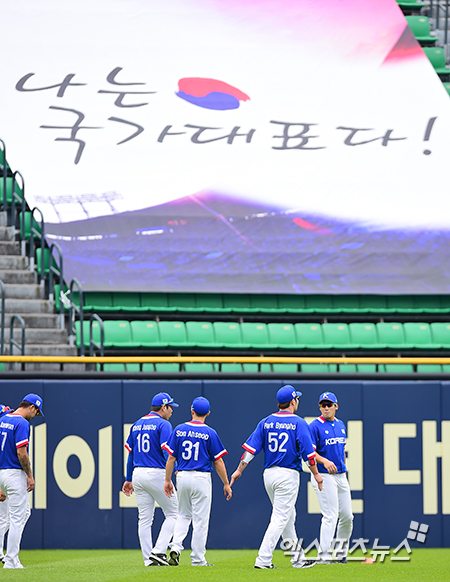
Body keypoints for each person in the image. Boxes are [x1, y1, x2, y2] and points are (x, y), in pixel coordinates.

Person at [230, 384, 323, 569]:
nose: (297, 402)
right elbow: (309, 454)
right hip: (287, 474)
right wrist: (317, 474)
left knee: (288, 516)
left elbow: (250, 451)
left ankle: (298, 559)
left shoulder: (266, 421)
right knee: (280, 517)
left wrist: (239, 470)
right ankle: (263, 559)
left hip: (269, 475)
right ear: (292, 401)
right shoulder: (298, 422)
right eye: (296, 399)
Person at [163, 396, 232, 567]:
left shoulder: (179, 429)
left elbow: (171, 458)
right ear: (208, 413)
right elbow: (218, 461)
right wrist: (225, 483)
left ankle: (176, 547)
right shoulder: (210, 432)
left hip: (182, 476)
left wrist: (167, 480)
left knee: (183, 515)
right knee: (200, 520)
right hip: (201, 477)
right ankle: (198, 559)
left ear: (191, 410)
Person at [122, 392, 179, 567]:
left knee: (145, 519)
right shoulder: (164, 424)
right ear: (163, 407)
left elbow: (130, 454)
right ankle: (158, 551)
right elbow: (167, 453)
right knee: (174, 513)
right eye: (170, 407)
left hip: (138, 473)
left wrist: (128, 478)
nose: (171, 411)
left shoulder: (137, 424)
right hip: (157, 473)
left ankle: (149, 559)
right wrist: (172, 474)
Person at [309, 391, 353, 564]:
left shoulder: (341, 424)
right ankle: (324, 555)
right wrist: (324, 461)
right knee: (330, 515)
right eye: (322, 405)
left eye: (329, 404)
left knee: (348, 516)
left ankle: (341, 553)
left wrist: (342, 469)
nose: (325, 408)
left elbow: (341, 449)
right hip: (324, 475)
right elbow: (310, 452)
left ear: (336, 406)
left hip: (341, 475)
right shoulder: (314, 426)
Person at [0, 394, 43, 569]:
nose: (35, 416)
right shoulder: (22, 423)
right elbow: (21, 453)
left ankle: (9, 557)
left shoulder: (3, 419)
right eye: (37, 413)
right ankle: (11, 560)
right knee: (17, 517)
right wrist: (30, 475)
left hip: (1, 472)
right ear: (32, 407)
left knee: (17, 514)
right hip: (14, 473)